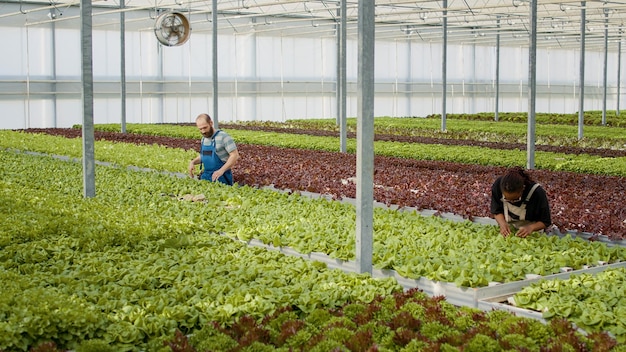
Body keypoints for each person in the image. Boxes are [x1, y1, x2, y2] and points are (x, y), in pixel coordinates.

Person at [490, 167, 551, 238]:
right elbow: (497, 210)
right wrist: (502, 224)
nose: (511, 202)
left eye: (515, 199)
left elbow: (545, 221)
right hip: (509, 231)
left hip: (532, 234)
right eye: (507, 200)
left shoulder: (536, 192)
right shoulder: (499, 185)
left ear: (523, 189)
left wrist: (530, 228)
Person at [188, 113, 239, 185]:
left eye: (205, 128)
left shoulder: (223, 136)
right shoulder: (204, 139)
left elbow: (234, 155)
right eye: (200, 129)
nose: (203, 131)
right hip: (206, 176)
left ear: (211, 123)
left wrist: (221, 170)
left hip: (221, 177)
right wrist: (193, 162)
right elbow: (204, 156)